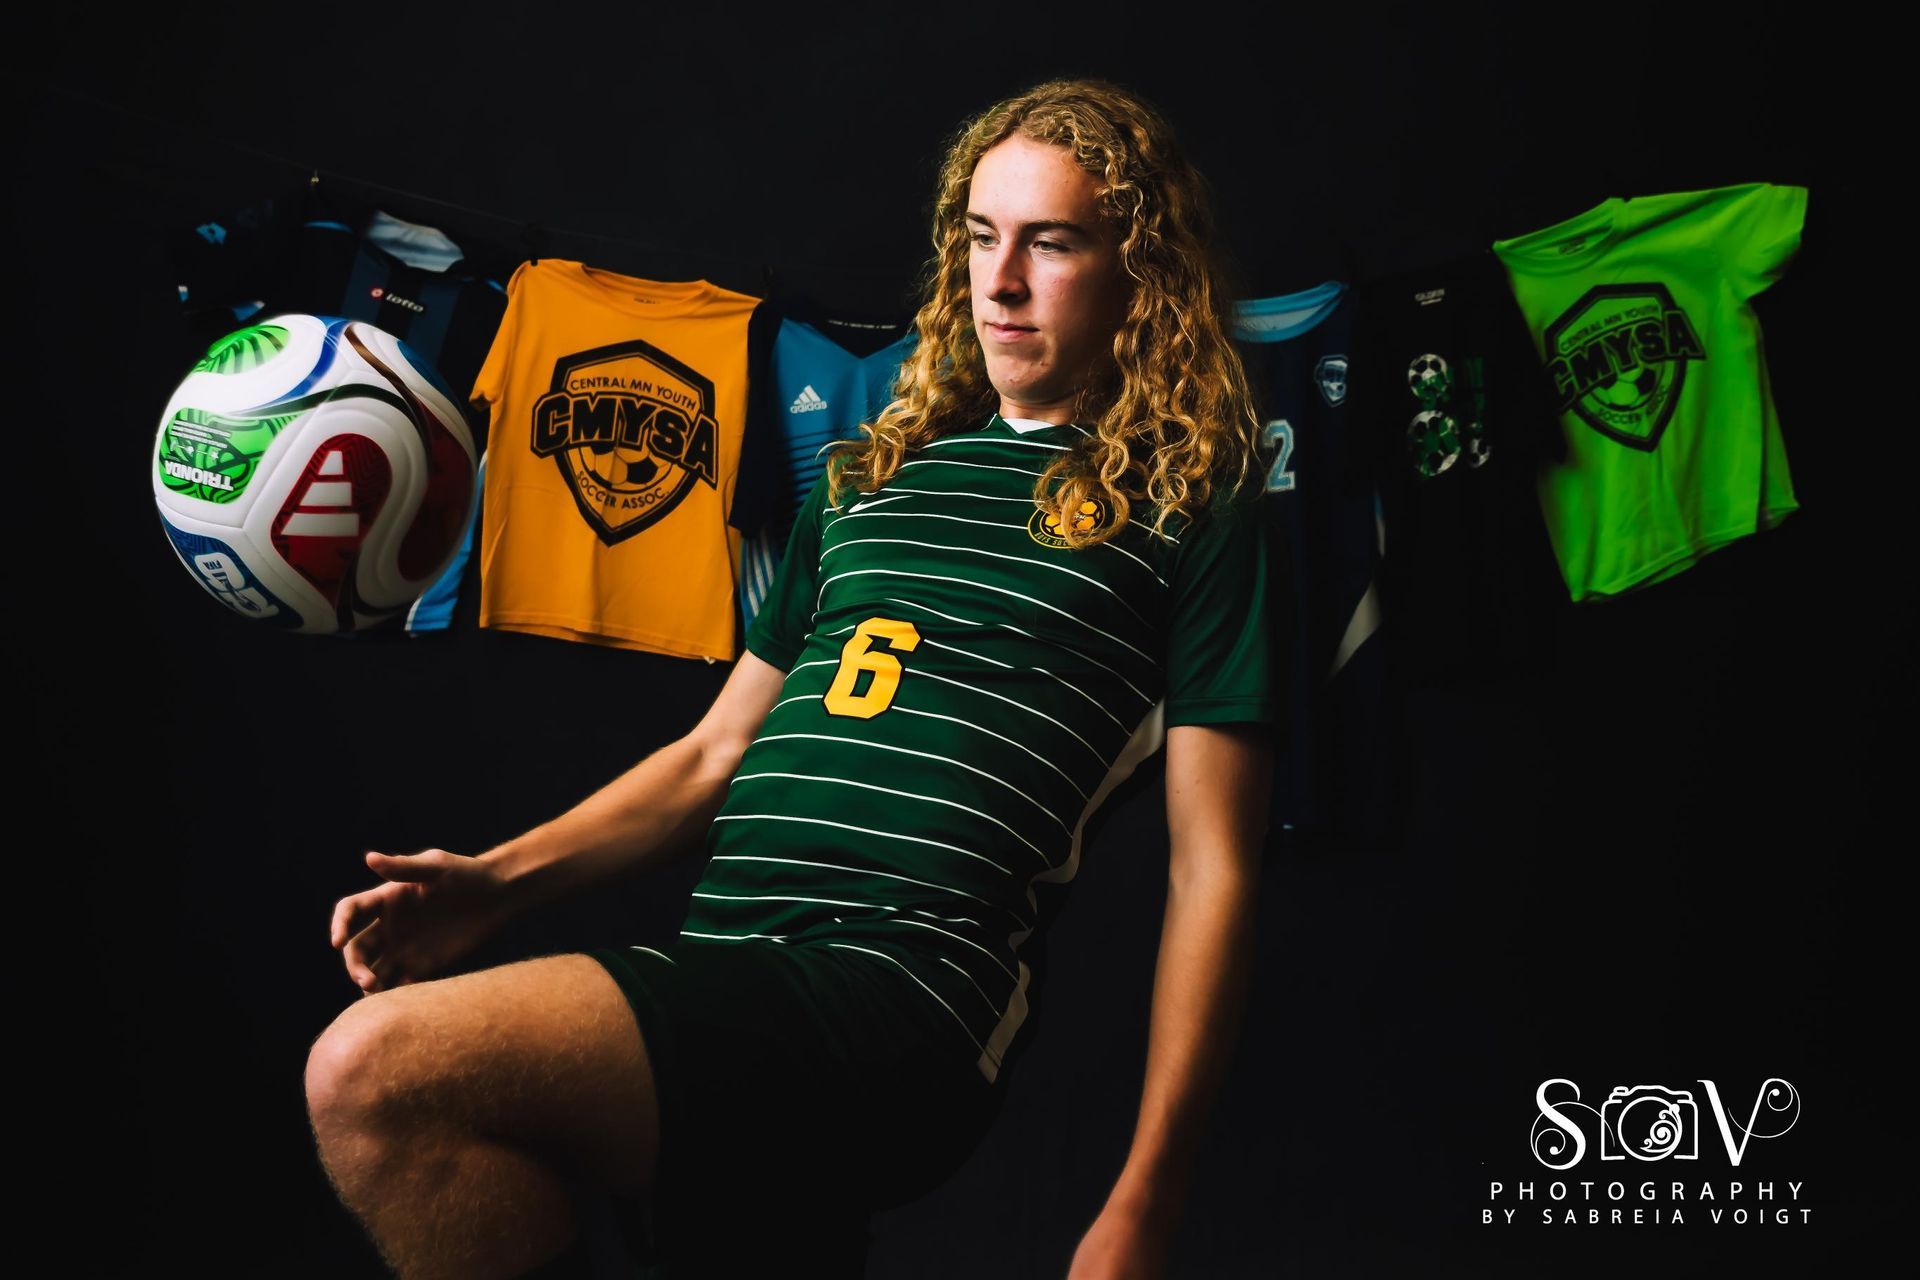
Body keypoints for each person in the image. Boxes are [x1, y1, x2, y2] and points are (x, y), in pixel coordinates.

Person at [306, 77, 1277, 1279]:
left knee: (374, 1071)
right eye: (982, 238)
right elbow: (713, 757)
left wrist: (1148, 1196)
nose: (1002, 281)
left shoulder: (1188, 510)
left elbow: (1215, 866)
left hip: (902, 995)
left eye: (1052, 243)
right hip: (730, 964)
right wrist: (496, 882)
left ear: (1140, 268)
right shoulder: (869, 480)